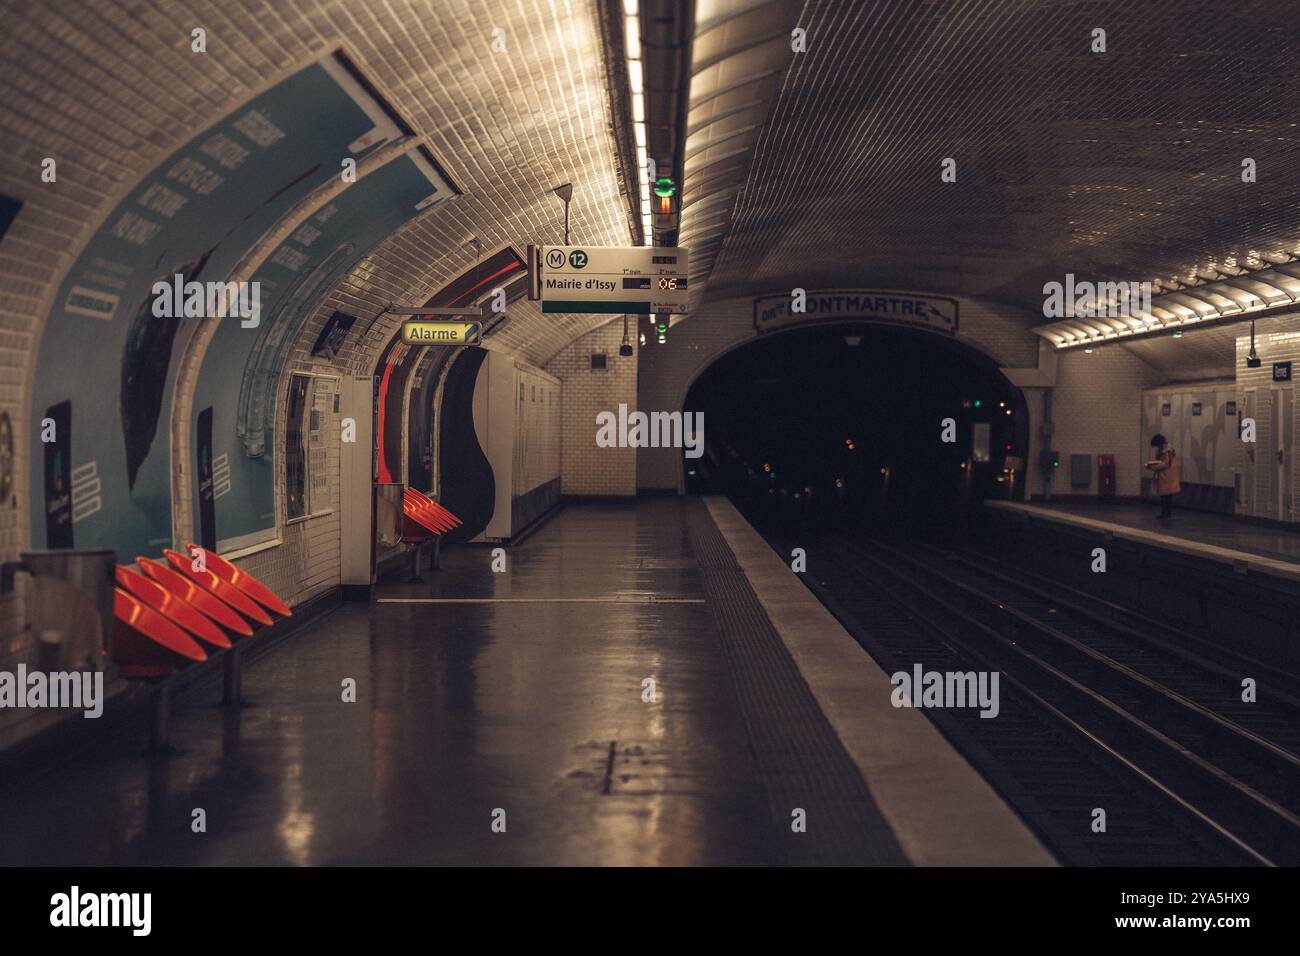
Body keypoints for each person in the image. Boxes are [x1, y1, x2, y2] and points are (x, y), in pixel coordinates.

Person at [1145, 434, 1181, 519]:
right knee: (1167, 496)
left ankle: (1165, 514)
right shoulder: (1169, 449)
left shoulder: (1166, 451)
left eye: (1156, 445)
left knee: (1165, 496)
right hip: (1169, 475)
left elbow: (1165, 464)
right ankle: (1167, 513)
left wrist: (1151, 467)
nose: (1156, 448)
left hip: (1166, 476)